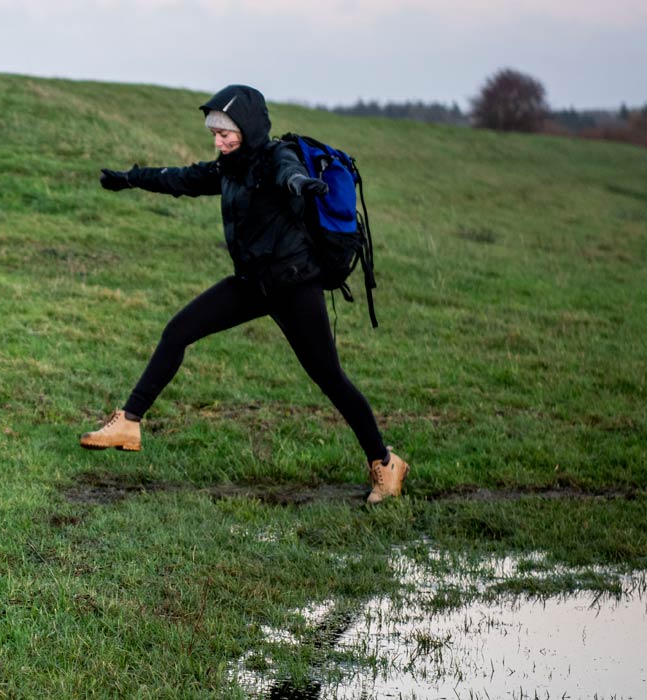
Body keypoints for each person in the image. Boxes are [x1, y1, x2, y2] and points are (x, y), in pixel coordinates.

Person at [81, 84, 409, 504]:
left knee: (329, 378)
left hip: (293, 286)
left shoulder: (276, 158)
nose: (219, 141)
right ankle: (128, 421)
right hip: (253, 284)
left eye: (226, 134)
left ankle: (385, 463)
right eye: (215, 135)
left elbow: (287, 174)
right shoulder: (228, 169)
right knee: (178, 330)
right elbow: (181, 179)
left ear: (248, 128)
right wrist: (130, 179)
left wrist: (302, 185)